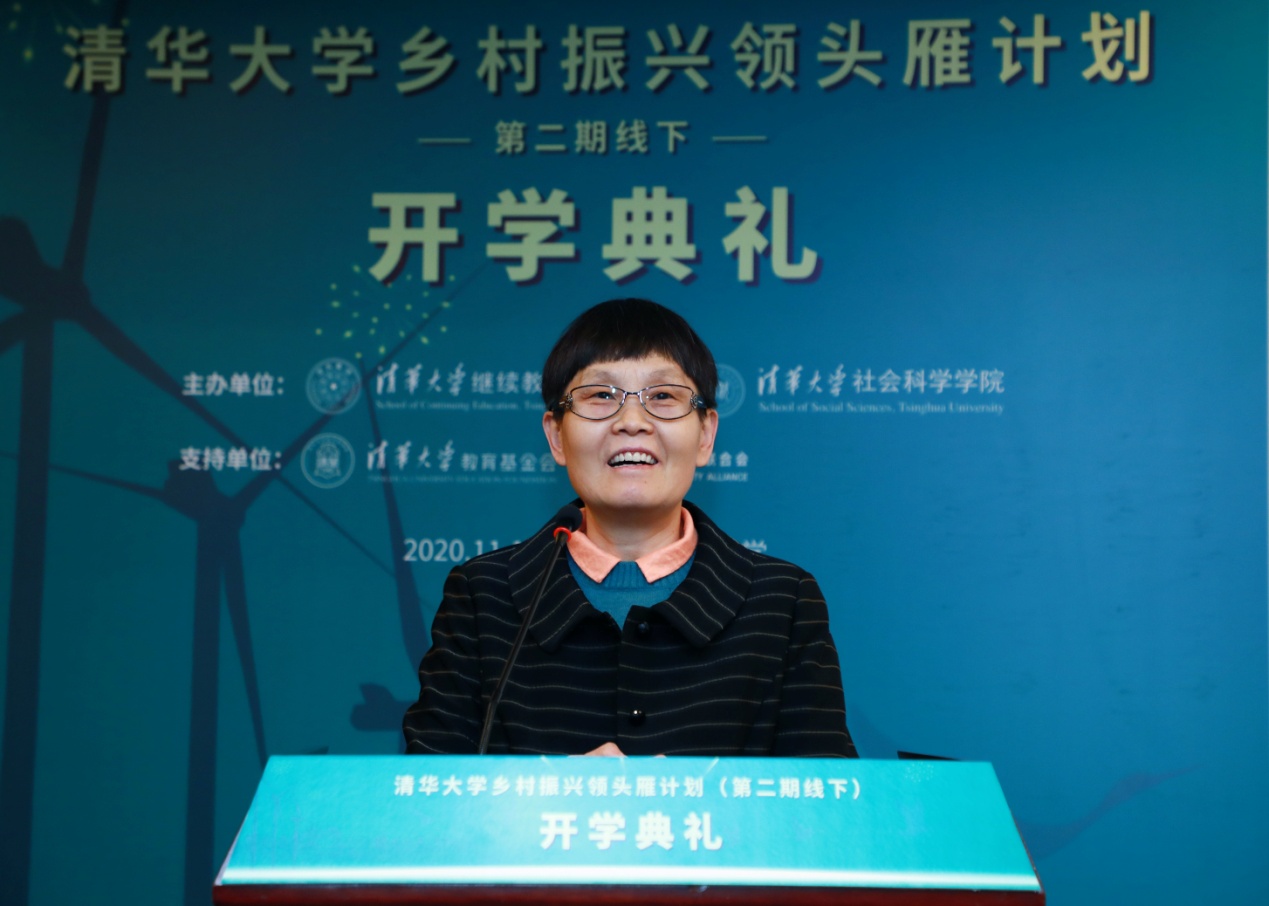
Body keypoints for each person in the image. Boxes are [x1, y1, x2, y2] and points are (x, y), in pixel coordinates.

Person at [403, 298, 856, 757]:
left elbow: (827, 794)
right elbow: (423, 789)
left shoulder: (781, 603)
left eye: (663, 396)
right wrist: (551, 791)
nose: (632, 422)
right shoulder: (484, 597)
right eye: (602, 396)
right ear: (556, 436)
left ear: (705, 435)